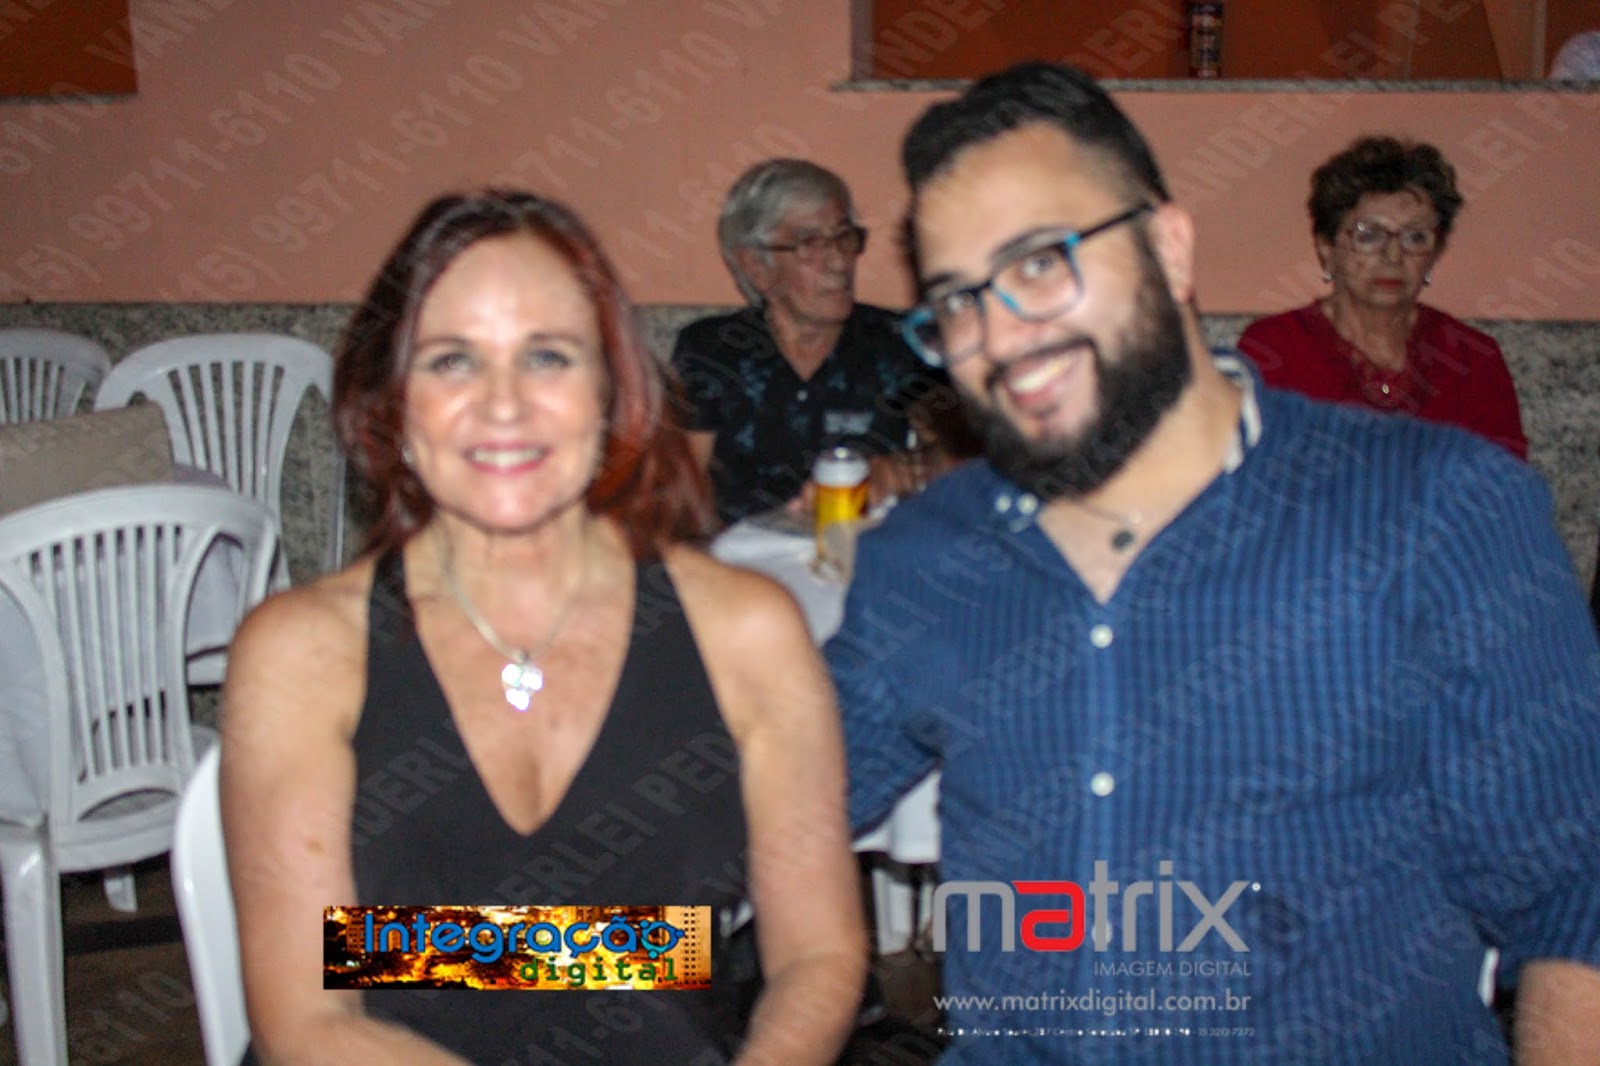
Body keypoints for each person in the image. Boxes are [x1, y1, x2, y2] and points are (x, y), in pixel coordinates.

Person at [827, 62, 1600, 1064]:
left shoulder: (1435, 511)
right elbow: (735, 848)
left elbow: (1574, 900)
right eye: (957, 303)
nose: (1001, 334)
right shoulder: (927, 557)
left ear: (1168, 248)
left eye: (1040, 264)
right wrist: (605, 982)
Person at [220, 189, 865, 1064]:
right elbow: (306, 1021)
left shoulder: (745, 633)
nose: (504, 405)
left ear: (612, 396)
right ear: (392, 404)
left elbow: (817, 956)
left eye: (548, 357)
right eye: (452, 361)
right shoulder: (302, 653)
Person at [671, 158, 963, 526]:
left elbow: (973, 456)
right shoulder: (714, 350)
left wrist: (898, 472)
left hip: (865, 550)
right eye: (809, 244)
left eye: (844, 237)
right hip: (739, 553)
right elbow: (678, 487)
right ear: (756, 268)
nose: (839, 262)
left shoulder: (900, 343)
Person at [1237, 136, 1528, 458]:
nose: (1393, 256)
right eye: (1369, 235)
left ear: (1435, 253)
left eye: (1415, 237)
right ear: (1326, 247)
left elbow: (1504, 479)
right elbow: (1253, 474)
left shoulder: (1471, 358)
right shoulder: (1274, 349)